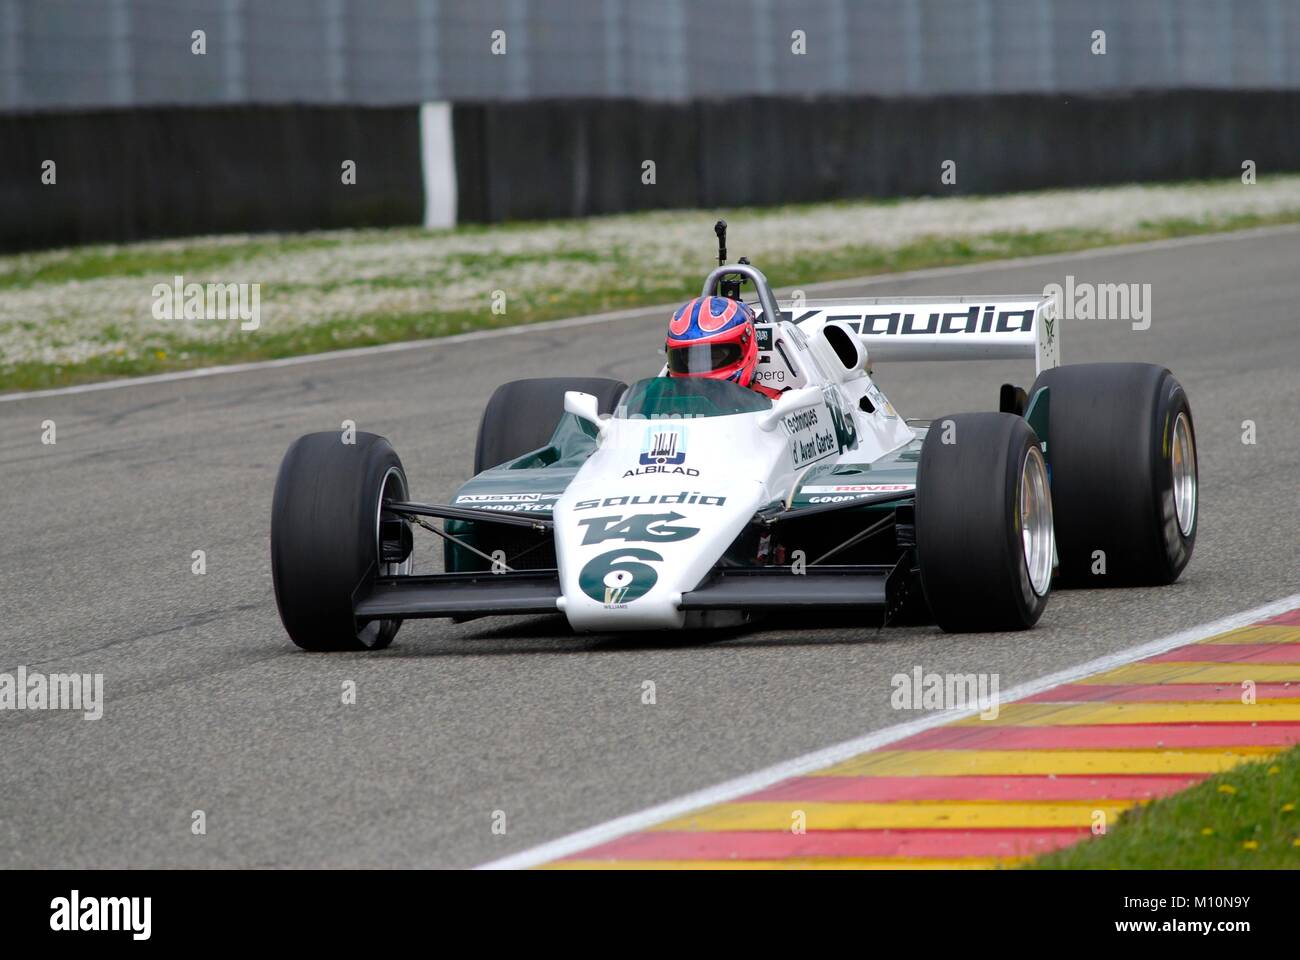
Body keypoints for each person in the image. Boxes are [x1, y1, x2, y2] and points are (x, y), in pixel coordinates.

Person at [664, 295, 782, 400]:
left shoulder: (776, 406)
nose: (700, 367)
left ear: (746, 348)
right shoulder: (662, 406)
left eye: (713, 356)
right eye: (689, 359)